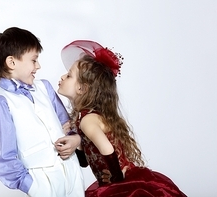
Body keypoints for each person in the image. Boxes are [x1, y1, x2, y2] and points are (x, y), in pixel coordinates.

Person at [55, 40, 187, 197]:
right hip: (113, 178)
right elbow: (85, 162)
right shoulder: (85, 117)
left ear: (82, 88)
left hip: (120, 181)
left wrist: (116, 179)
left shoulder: (87, 120)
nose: (63, 77)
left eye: (69, 75)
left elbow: (107, 149)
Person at [0, 27, 85, 197]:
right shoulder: (0, 102)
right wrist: (33, 186)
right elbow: (5, 159)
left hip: (71, 171)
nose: (38, 66)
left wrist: (75, 139)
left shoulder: (44, 87)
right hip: (43, 182)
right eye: (34, 60)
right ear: (12, 62)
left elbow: (69, 125)